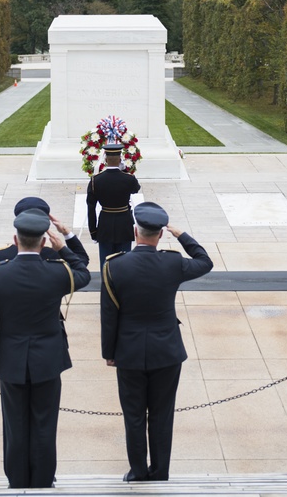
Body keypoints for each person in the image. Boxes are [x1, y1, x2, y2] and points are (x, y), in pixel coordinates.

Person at [0, 208, 91, 489]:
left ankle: (17, 482)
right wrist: (63, 246)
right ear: (43, 243)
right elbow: (84, 273)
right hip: (48, 361)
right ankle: (42, 482)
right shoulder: (56, 273)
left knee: (15, 425)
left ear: (15, 241)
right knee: (44, 425)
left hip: (12, 360)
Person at [100, 202, 213, 482]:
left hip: (129, 352)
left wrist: (109, 352)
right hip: (167, 351)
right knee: (162, 416)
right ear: (160, 235)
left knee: (134, 416)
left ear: (134, 230)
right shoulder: (173, 262)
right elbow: (205, 261)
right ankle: (160, 471)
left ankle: (138, 471)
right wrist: (183, 235)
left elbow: (108, 316)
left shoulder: (114, 266)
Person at [0, 196, 89, 268]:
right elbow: (81, 262)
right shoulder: (54, 258)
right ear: (43, 241)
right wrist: (65, 233)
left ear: (16, 239)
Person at [86, 141, 141, 267]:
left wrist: (93, 231)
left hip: (105, 224)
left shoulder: (95, 181)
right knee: (124, 264)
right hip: (124, 223)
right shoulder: (129, 179)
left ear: (105, 159)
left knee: (106, 265)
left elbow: (91, 208)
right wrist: (124, 171)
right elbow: (136, 188)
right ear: (120, 159)